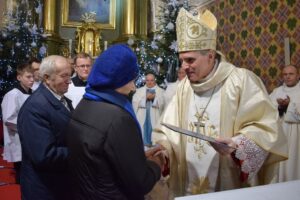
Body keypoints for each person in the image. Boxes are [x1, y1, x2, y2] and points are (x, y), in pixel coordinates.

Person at [152, 8, 287, 198]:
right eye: (181, 60)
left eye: (190, 60)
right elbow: (167, 129)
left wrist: (237, 145)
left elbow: (267, 128)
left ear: (210, 55)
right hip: (187, 182)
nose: (184, 67)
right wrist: (164, 150)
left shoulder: (240, 81)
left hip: (229, 183)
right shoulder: (184, 88)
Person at [66, 44, 165, 199]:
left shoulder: (85, 104)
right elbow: (140, 182)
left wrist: (138, 157)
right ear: (118, 79)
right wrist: (156, 164)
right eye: (131, 79)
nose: (133, 87)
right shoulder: (119, 119)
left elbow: (100, 157)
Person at [17, 55, 73, 200]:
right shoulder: (35, 107)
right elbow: (44, 156)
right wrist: (81, 151)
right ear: (47, 78)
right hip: (44, 189)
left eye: (70, 75)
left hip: (60, 185)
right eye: (64, 76)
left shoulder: (61, 98)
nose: (69, 80)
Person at [1, 62, 34, 183]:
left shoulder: (32, 93)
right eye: (28, 77)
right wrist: (29, 127)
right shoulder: (13, 94)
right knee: (21, 171)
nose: (32, 80)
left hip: (30, 137)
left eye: (33, 77)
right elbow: (9, 119)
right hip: (17, 138)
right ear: (19, 77)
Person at [270, 64, 300, 182]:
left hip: (296, 136)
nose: (287, 77)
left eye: (291, 74)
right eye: (285, 74)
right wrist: (279, 106)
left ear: (298, 75)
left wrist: (289, 106)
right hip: (280, 135)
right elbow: (267, 110)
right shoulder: (277, 91)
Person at [132, 72, 165, 147]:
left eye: (151, 80)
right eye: (147, 80)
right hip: (142, 117)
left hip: (155, 117)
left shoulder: (161, 91)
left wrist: (154, 99)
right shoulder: (139, 91)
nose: (149, 82)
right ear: (145, 81)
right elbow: (135, 102)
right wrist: (145, 98)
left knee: (153, 132)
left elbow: (163, 104)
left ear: (155, 81)